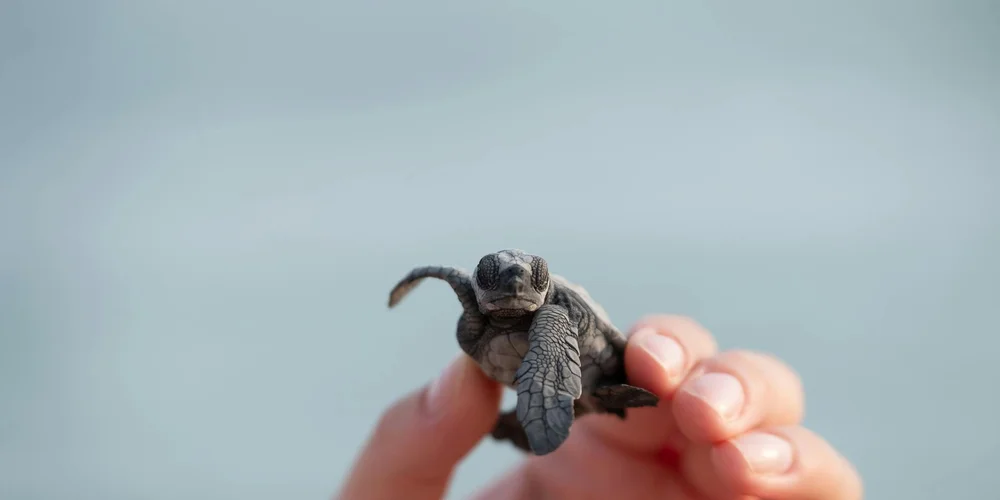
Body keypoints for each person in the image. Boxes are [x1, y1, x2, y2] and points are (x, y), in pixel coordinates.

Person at [336, 315, 862, 499]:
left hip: (592, 376)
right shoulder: (477, 301)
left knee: (639, 386)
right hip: (539, 393)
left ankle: (563, 412)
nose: (511, 289)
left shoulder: (553, 318)